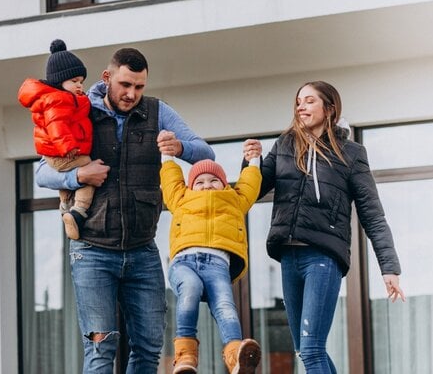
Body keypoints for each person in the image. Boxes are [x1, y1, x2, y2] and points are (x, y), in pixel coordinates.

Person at [35, 47, 215, 373]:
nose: (132, 93)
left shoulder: (158, 112)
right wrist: (79, 175)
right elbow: (41, 172)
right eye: (125, 85)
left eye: (139, 87)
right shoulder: (79, 110)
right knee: (101, 349)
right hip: (92, 251)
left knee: (148, 347)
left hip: (142, 251)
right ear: (107, 78)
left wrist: (181, 147)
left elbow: (206, 152)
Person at [243, 81, 405, 373]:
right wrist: (250, 162)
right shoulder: (284, 145)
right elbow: (251, 191)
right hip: (288, 257)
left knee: (311, 348)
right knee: (303, 350)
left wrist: (389, 266)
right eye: (298, 102)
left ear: (329, 108)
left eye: (309, 101)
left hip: (322, 257)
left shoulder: (350, 153)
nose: (300, 107)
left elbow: (372, 213)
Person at [159, 134, 262, 374]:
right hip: (185, 262)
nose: (206, 185)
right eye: (200, 181)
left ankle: (236, 356)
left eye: (214, 180)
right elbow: (170, 178)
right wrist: (167, 154)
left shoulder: (234, 200)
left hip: (218, 264)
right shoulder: (181, 197)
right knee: (190, 290)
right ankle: (185, 356)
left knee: (225, 305)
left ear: (225, 184)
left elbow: (250, 185)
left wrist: (253, 160)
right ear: (191, 185)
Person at [18, 39, 94, 240]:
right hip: (62, 152)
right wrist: (67, 147)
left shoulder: (65, 99)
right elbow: (56, 126)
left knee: (72, 178)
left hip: (58, 152)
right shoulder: (58, 101)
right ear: (60, 82)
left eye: (81, 81)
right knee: (90, 170)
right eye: (74, 81)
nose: (79, 85)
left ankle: (65, 207)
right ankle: (79, 211)